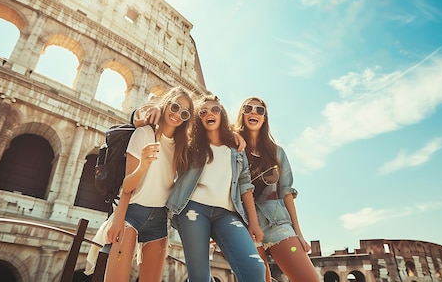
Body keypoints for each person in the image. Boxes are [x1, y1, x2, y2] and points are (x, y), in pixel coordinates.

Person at [166, 94, 266, 282]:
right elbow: (167, 130)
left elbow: (245, 185)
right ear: (198, 119)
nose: (209, 114)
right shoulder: (190, 146)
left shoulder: (237, 149)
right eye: (203, 112)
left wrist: (253, 222)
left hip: (227, 214)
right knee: (200, 278)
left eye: (215, 110)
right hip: (192, 210)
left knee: (254, 268)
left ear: (222, 114)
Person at [104, 86, 194, 282]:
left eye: (185, 113)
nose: (178, 114)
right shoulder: (144, 133)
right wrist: (143, 166)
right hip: (131, 214)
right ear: (167, 103)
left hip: (160, 220)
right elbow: (127, 186)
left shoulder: (181, 148)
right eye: (175, 107)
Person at [234, 97, 320, 282]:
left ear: (265, 118)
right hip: (244, 223)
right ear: (242, 114)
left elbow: (286, 193)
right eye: (248, 108)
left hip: (277, 222)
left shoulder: (278, 152)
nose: (253, 112)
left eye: (260, 110)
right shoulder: (232, 148)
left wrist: (298, 233)